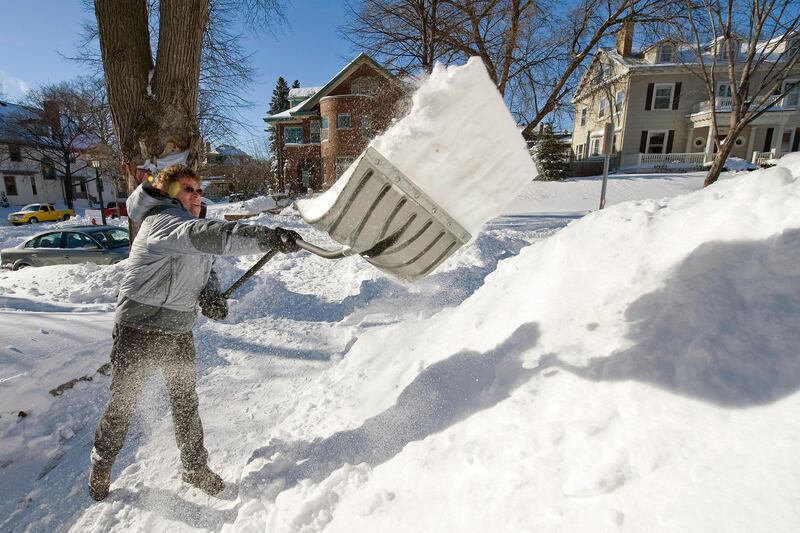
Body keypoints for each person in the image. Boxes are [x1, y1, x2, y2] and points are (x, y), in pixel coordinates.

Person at [89, 164, 300, 501]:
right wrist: (267, 237)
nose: (196, 195)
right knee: (123, 404)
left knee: (185, 403)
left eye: (199, 189)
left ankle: (194, 467)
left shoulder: (188, 224)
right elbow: (209, 237)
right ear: (169, 194)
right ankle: (101, 465)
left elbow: (204, 265)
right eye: (187, 189)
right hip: (139, 327)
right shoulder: (162, 221)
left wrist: (209, 294)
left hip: (177, 329)